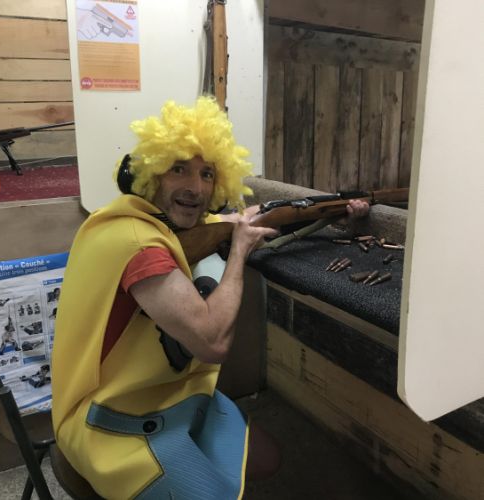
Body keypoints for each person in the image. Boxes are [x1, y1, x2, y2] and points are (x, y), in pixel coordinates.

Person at [51, 96, 368, 499]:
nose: (195, 188)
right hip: (112, 423)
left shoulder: (132, 220)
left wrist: (336, 214)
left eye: (207, 174)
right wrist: (238, 254)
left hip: (171, 395)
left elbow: (241, 219)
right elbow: (213, 343)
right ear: (151, 174)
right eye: (178, 169)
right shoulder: (140, 245)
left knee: (267, 459)